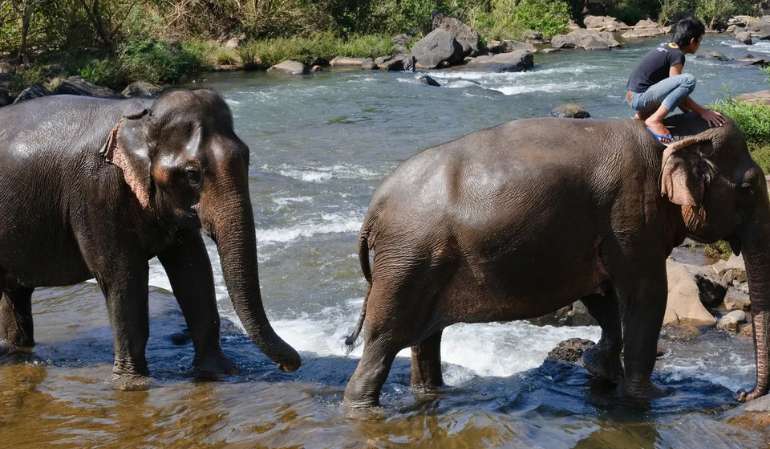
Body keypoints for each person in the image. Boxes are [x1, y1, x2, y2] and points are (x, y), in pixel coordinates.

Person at [625, 17, 726, 144]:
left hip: (633, 96)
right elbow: (678, 88)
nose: (699, 44)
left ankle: (641, 117)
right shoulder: (677, 55)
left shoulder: (666, 47)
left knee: (676, 86)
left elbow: (674, 92)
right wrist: (703, 112)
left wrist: (688, 112)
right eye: (700, 40)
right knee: (688, 80)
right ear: (692, 41)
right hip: (640, 98)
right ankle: (655, 120)